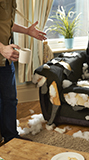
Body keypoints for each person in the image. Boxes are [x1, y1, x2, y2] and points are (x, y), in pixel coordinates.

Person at [0, 0, 47, 143]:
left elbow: (5, 23)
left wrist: (27, 31)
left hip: (5, 59)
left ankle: (11, 138)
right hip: (3, 52)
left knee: (10, 100)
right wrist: (1, 48)